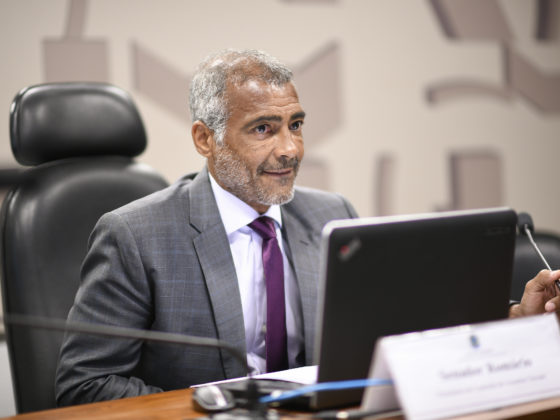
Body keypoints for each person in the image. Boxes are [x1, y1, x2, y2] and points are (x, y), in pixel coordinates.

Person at [55, 49, 560, 406]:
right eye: (263, 128)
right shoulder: (136, 236)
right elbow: (84, 386)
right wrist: (221, 406)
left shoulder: (330, 215)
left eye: (295, 125)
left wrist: (513, 319)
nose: (290, 150)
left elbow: (401, 329)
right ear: (205, 139)